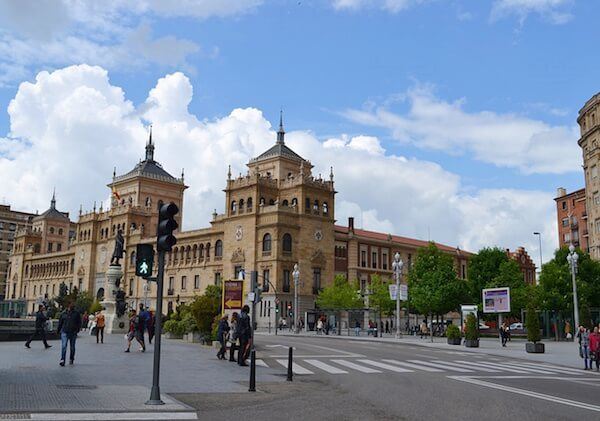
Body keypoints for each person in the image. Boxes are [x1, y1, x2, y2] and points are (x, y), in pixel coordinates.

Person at [56, 301, 82, 366]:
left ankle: (71, 358)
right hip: (64, 332)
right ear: (68, 306)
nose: (72, 306)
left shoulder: (76, 313)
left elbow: (79, 322)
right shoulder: (63, 313)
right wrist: (58, 330)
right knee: (64, 346)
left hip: (73, 332)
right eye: (71, 305)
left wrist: (77, 330)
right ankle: (62, 359)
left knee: (72, 347)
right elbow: (60, 323)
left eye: (73, 305)